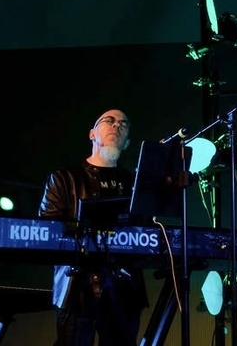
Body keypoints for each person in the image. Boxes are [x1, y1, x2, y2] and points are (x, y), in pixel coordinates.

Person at [38, 108, 149, 346]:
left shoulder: (135, 184)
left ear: (128, 142)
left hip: (125, 289)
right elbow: (47, 230)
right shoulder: (64, 178)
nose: (116, 125)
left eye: (123, 123)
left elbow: (146, 233)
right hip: (75, 288)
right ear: (92, 134)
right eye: (108, 120)